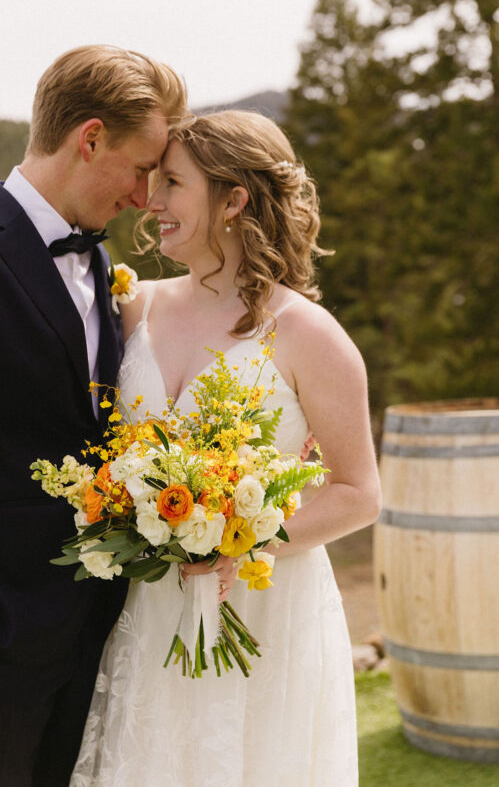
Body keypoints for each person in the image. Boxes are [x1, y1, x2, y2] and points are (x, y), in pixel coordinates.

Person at [0, 45, 188, 787]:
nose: (146, 196)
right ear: (88, 138)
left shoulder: (102, 268)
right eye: (142, 167)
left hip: (95, 629)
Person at [71, 109, 382, 787]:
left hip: (264, 607)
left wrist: (240, 542)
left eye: (173, 183)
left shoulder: (308, 334)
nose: (151, 202)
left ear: (233, 199)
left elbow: (358, 492)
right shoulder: (135, 307)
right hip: (150, 607)